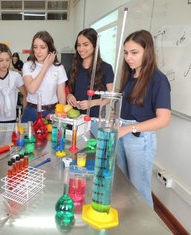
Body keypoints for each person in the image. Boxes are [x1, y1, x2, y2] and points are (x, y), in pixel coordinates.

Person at [117, 30, 171, 208]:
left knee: (139, 190)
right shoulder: (130, 76)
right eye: (126, 53)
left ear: (147, 51)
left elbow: (163, 119)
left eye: (134, 53)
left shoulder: (158, 80)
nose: (128, 58)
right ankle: (129, 229)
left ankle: (146, 234)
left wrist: (129, 129)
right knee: (124, 186)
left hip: (140, 139)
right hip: (121, 133)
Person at [66, 28, 114, 136]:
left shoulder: (106, 68)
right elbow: (68, 88)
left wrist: (91, 103)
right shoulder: (74, 67)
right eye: (78, 45)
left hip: (95, 121)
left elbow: (110, 97)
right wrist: (69, 96)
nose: (81, 48)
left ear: (95, 45)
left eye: (85, 44)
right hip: (75, 119)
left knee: (92, 151)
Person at [21, 31, 67, 122]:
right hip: (31, 112)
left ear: (49, 49)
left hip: (52, 112)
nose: (38, 51)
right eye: (35, 47)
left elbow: (61, 95)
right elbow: (31, 89)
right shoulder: (28, 66)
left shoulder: (59, 67)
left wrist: (62, 115)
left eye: (42, 47)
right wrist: (46, 66)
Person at [0, 43, 27, 123]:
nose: (5, 64)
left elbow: (26, 94)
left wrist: (23, 114)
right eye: (1, 60)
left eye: (7, 60)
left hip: (11, 119)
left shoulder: (15, 76)